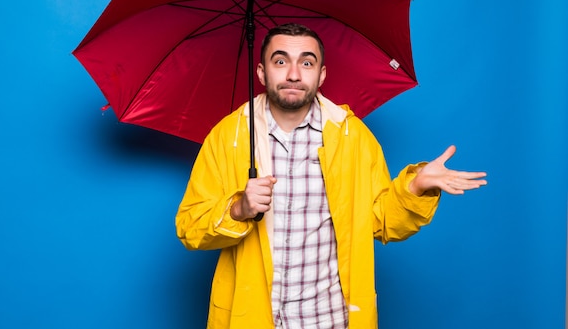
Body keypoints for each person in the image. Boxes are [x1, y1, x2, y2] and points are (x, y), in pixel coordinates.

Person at [175, 23, 487, 329]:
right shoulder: (228, 136)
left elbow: (380, 222)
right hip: (252, 317)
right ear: (261, 72)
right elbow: (189, 227)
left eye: (307, 63)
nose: (294, 74)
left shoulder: (353, 137)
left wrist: (415, 186)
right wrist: (238, 209)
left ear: (321, 74)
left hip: (330, 319)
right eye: (280, 61)